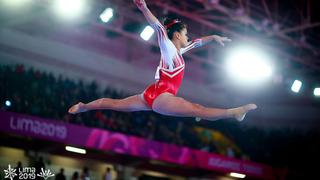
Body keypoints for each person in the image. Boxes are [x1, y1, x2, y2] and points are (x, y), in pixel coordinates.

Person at [68, 0, 257, 121]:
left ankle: (84, 107)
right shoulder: (168, 49)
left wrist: (214, 37)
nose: (187, 37)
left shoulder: (179, 51)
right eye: (185, 34)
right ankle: (235, 112)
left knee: (115, 104)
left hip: (151, 93)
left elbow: (197, 43)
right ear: (176, 36)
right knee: (197, 109)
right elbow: (158, 27)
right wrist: (144, 7)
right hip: (162, 98)